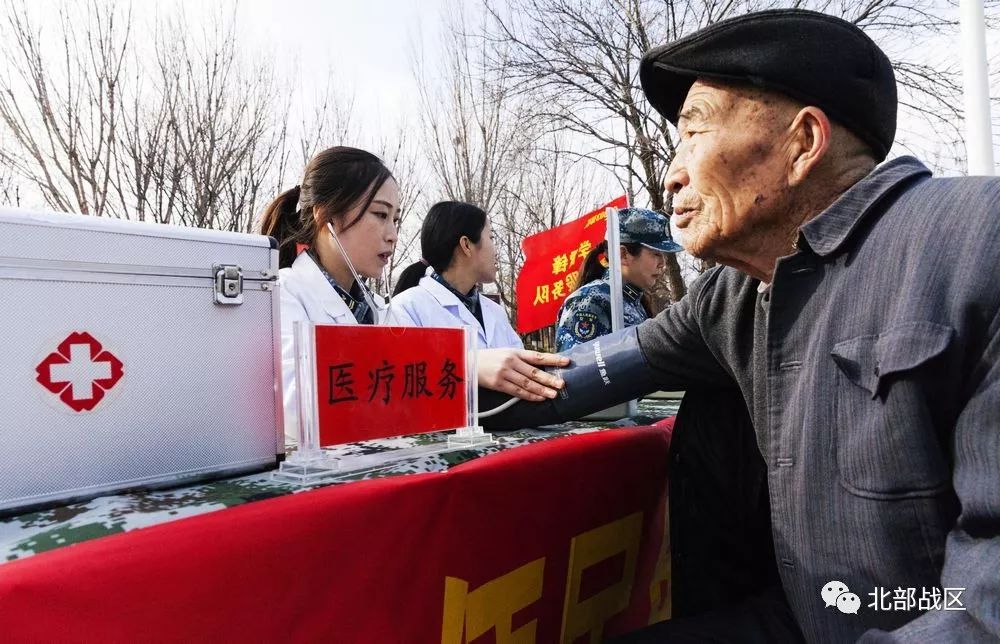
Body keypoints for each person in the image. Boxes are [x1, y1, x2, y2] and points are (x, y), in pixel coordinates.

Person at [484, 9, 1000, 643]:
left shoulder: (979, 243)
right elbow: (576, 375)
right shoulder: (730, 296)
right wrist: (462, 375)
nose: (672, 174)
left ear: (802, 142)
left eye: (694, 131)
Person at [259, 147, 567, 447]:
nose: (392, 234)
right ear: (327, 217)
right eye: (380, 214)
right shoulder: (280, 296)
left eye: (395, 219)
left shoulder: (380, 311)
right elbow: (297, 409)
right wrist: (462, 366)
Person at [388, 201, 522, 350]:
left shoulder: (496, 312)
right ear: (466, 245)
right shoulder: (406, 309)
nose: (496, 251)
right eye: (491, 238)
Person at [555, 208, 681, 351]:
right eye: (656, 254)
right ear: (623, 254)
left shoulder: (633, 301)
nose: (663, 264)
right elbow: (577, 363)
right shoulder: (591, 301)